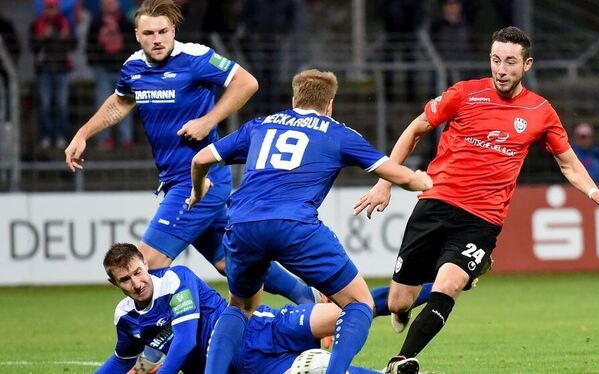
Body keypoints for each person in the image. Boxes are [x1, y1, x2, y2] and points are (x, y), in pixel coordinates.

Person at [353, 26, 599, 374]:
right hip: (436, 202)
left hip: (482, 219)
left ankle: (401, 361)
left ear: (527, 64)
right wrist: (386, 182)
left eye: (510, 62)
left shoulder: (540, 111)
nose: (501, 69)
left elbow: (567, 161)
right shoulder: (464, 94)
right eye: (496, 60)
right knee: (398, 303)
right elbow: (415, 128)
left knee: (449, 284)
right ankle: (437, 290)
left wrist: (594, 192)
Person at [65, 0, 318, 306]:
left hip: (201, 180)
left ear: (172, 31)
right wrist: (83, 134)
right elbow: (120, 102)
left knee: (148, 264)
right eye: (149, 33)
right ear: (137, 35)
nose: (157, 39)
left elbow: (247, 83)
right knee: (231, 263)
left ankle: (157, 348)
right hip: (174, 180)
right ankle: (305, 297)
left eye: (162, 31)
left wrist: (209, 120)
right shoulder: (133, 67)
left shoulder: (195, 57)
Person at [188, 69, 433, 374]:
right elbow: (397, 174)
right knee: (358, 302)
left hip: (243, 224)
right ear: (329, 104)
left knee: (239, 306)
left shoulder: (260, 125)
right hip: (293, 225)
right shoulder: (337, 132)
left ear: (294, 99)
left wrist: (198, 191)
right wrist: (419, 180)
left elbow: (200, 159)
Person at [98, 243, 428, 373]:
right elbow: (121, 359)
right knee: (310, 369)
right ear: (117, 285)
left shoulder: (173, 279)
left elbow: (184, 341)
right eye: (126, 280)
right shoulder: (126, 318)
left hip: (263, 326)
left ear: (145, 264)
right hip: (247, 365)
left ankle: (434, 288)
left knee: (350, 309)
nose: (136, 282)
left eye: (138, 271)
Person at [87, 0, 136, 150]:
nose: (108, 4)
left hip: (122, 70)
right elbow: (90, 45)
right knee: (103, 106)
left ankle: (126, 138)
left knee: (124, 105)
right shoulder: (96, 23)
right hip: (103, 69)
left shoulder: (126, 23)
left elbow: (133, 44)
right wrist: (95, 62)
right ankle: (105, 139)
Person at [31, 0, 77, 149]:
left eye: (53, 8)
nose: (51, 11)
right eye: (48, 8)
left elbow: (74, 44)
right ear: (44, 9)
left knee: (61, 105)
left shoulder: (65, 24)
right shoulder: (37, 25)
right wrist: (43, 37)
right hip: (44, 71)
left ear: (57, 9)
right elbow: (32, 47)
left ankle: (61, 136)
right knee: (45, 105)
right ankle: (46, 136)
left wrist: (66, 37)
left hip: (62, 69)